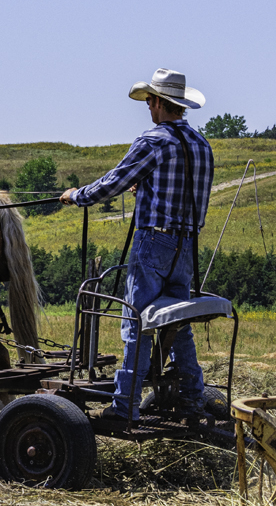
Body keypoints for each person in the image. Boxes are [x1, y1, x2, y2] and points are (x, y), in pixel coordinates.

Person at [59, 68, 215, 422]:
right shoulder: (201, 144)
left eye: (149, 101)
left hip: (154, 240)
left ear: (159, 102)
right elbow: (179, 190)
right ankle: (192, 398)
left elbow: (113, 182)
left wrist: (76, 195)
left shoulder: (154, 141)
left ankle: (123, 407)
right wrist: (145, 188)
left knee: (137, 321)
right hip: (186, 245)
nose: (148, 107)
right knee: (177, 322)